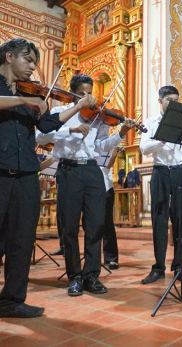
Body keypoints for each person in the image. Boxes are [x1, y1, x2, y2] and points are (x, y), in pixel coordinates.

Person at [0, 38, 95, 317]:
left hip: (27, 174)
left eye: (35, 63)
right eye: (28, 60)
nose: (32, 67)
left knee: (21, 239)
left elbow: (47, 124)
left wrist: (76, 107)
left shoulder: (34, 95)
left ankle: (12, 300)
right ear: (8, 57)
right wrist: (24, 100)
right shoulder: (19, 94)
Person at [36, 73, 135, 297]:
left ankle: (92, 275)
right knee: (69, 227)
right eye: (82, 93)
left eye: (90, 93)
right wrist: (69, 130)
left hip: (92, 171)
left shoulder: (98, 117)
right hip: (68, 170)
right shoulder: (57, 113)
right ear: (72, 93)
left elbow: (101, 147)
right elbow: (40, 137)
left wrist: (121, 133)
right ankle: (75, 277)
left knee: (96, 225)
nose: (88, 97)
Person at [140, 85, 182, 284]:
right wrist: (162, 139)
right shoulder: (151, 122)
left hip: (180, 171)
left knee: (180, 220)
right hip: (160, 172)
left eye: (176, 100)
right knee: (159, 220)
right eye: (170, 100)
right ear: (160, 101)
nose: (174, 104)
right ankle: (158, 268)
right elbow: (144, 147)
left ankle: (179, 266)